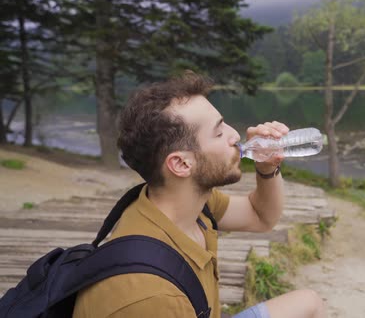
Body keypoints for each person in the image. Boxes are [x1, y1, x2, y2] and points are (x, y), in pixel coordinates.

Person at [73, 72, 326, 318]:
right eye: (218, 132)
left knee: (309, 303)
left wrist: (267, 168)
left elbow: (261, 217)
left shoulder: (191, 203)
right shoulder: (152, 297)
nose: (235, 135)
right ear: (181, 164)